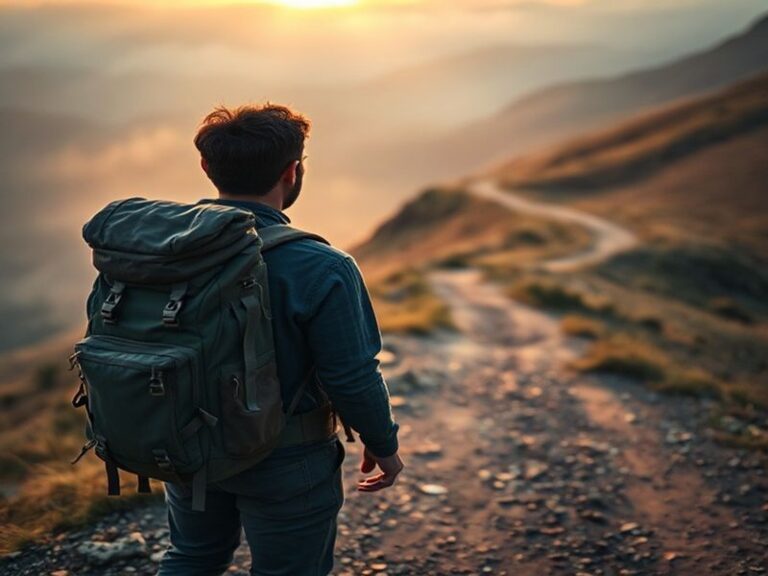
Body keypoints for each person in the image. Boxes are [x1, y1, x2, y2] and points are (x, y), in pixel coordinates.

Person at [157, 103, 404, 576]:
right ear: (292, 173)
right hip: (287, 458)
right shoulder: (321, 265)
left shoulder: (164, 249)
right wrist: (382, 443)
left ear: (207, 168)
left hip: (188, 445)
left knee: (192, 556)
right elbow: (351, 374)